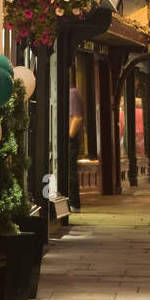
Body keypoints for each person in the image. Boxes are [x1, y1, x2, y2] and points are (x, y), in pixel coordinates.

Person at [68, 81, 83, 213]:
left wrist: (69, 136)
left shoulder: (72, 94)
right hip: (69, 140)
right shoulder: (72, 93)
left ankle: (74, 203)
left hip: (70, 141)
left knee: (70, 170)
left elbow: (77, 117)